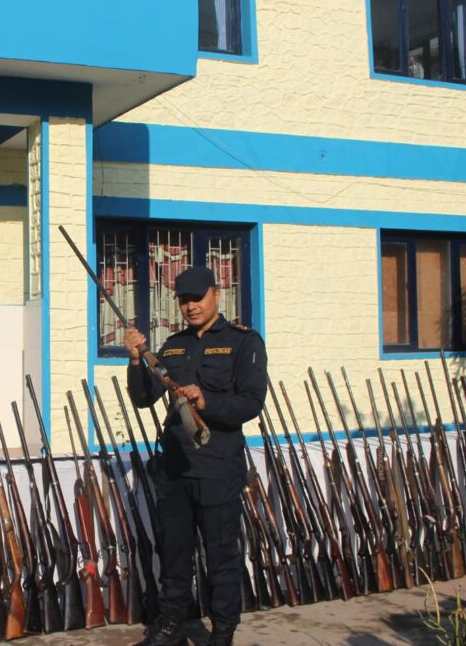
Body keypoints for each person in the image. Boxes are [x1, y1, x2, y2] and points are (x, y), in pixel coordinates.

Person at [124, 265, 267, 646]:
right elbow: (143, 398)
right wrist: (136, 360)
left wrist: (208, 401)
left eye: (197, 298)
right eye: (184, 300)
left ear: (216, 294)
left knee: (221, 556)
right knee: (173, 553)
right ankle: (170, 626)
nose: (191, 306)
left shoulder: (244, 342)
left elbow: (252, 402)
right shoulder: (173, 345)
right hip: (175, 469)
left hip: (218, 468)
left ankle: (222, 632)